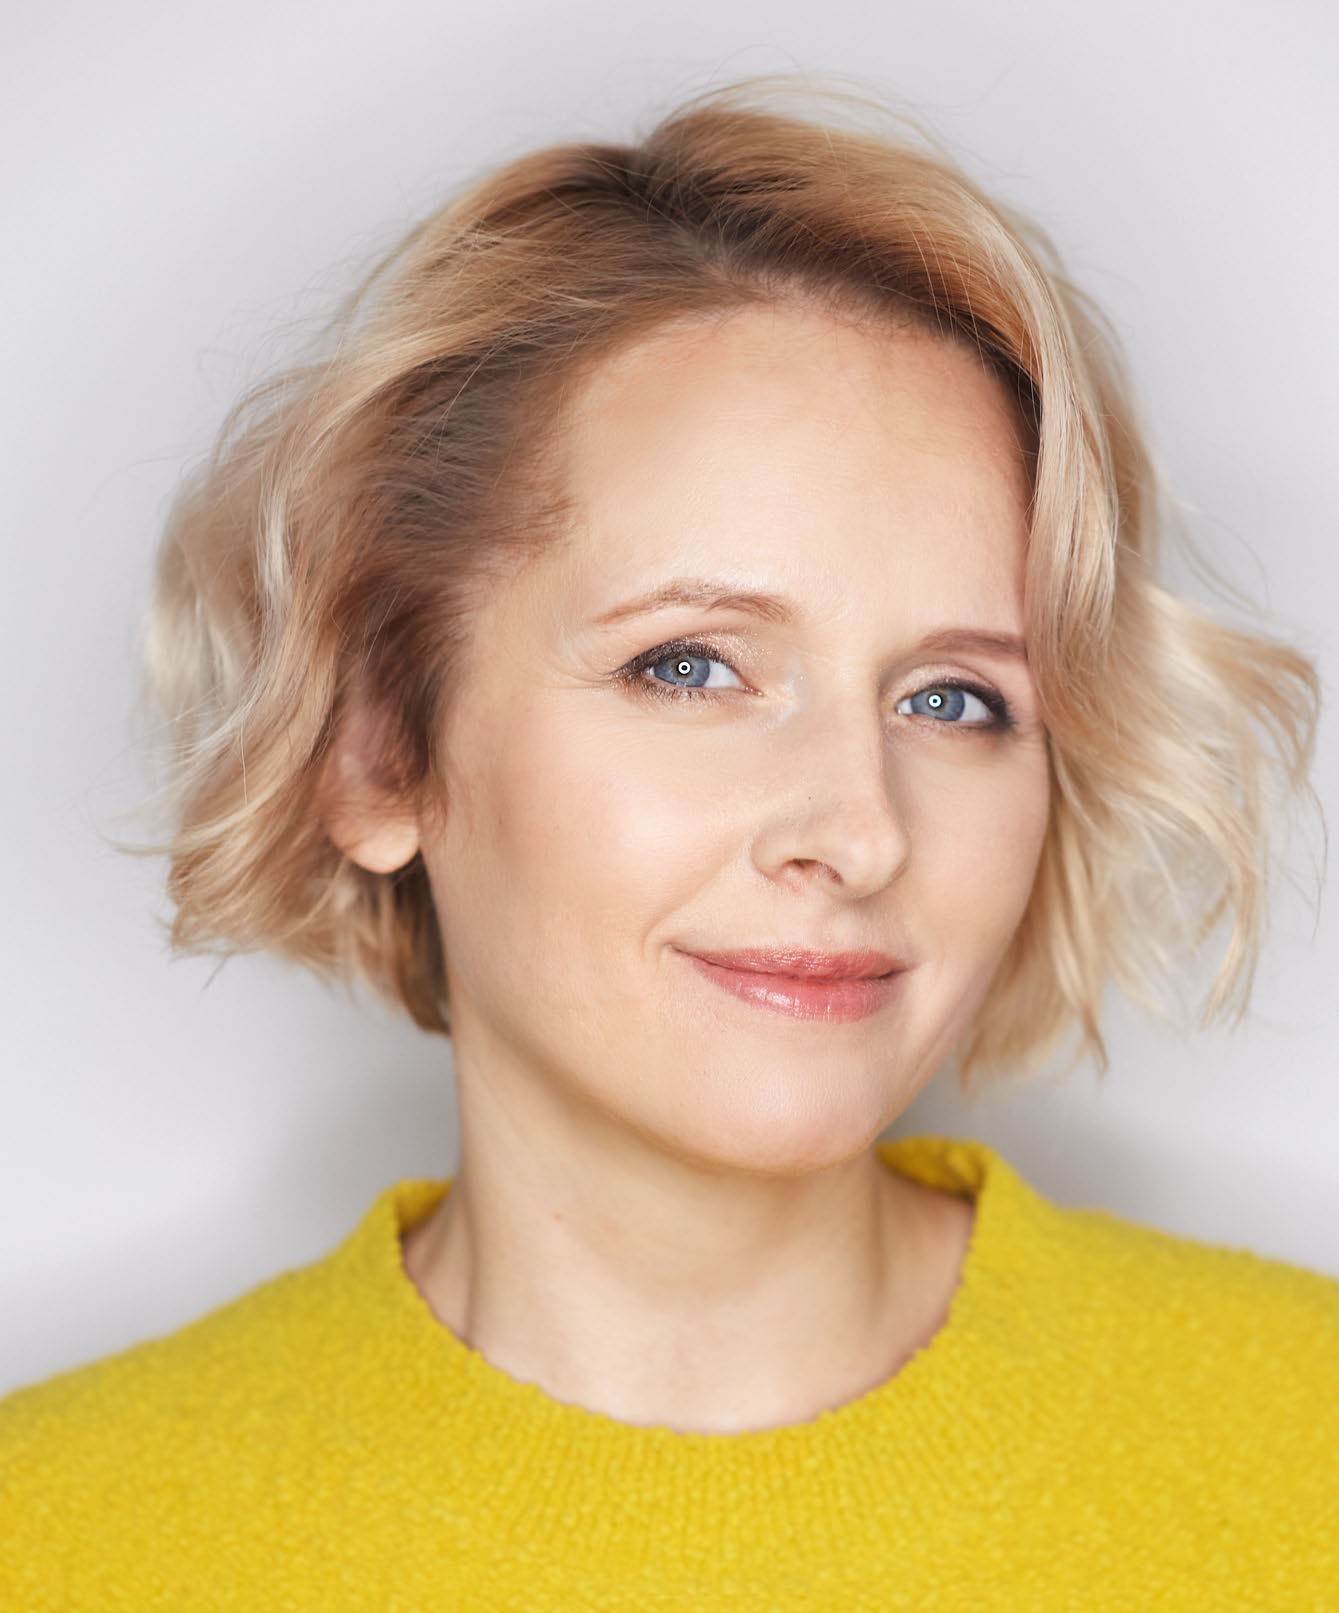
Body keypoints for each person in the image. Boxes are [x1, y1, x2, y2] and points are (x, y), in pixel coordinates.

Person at [1, 73, 1335, 1609]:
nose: (860, 830)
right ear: (378, 748)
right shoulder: (56, 1534)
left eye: (955, 699)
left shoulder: (1308, 1439)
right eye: (689, 667)